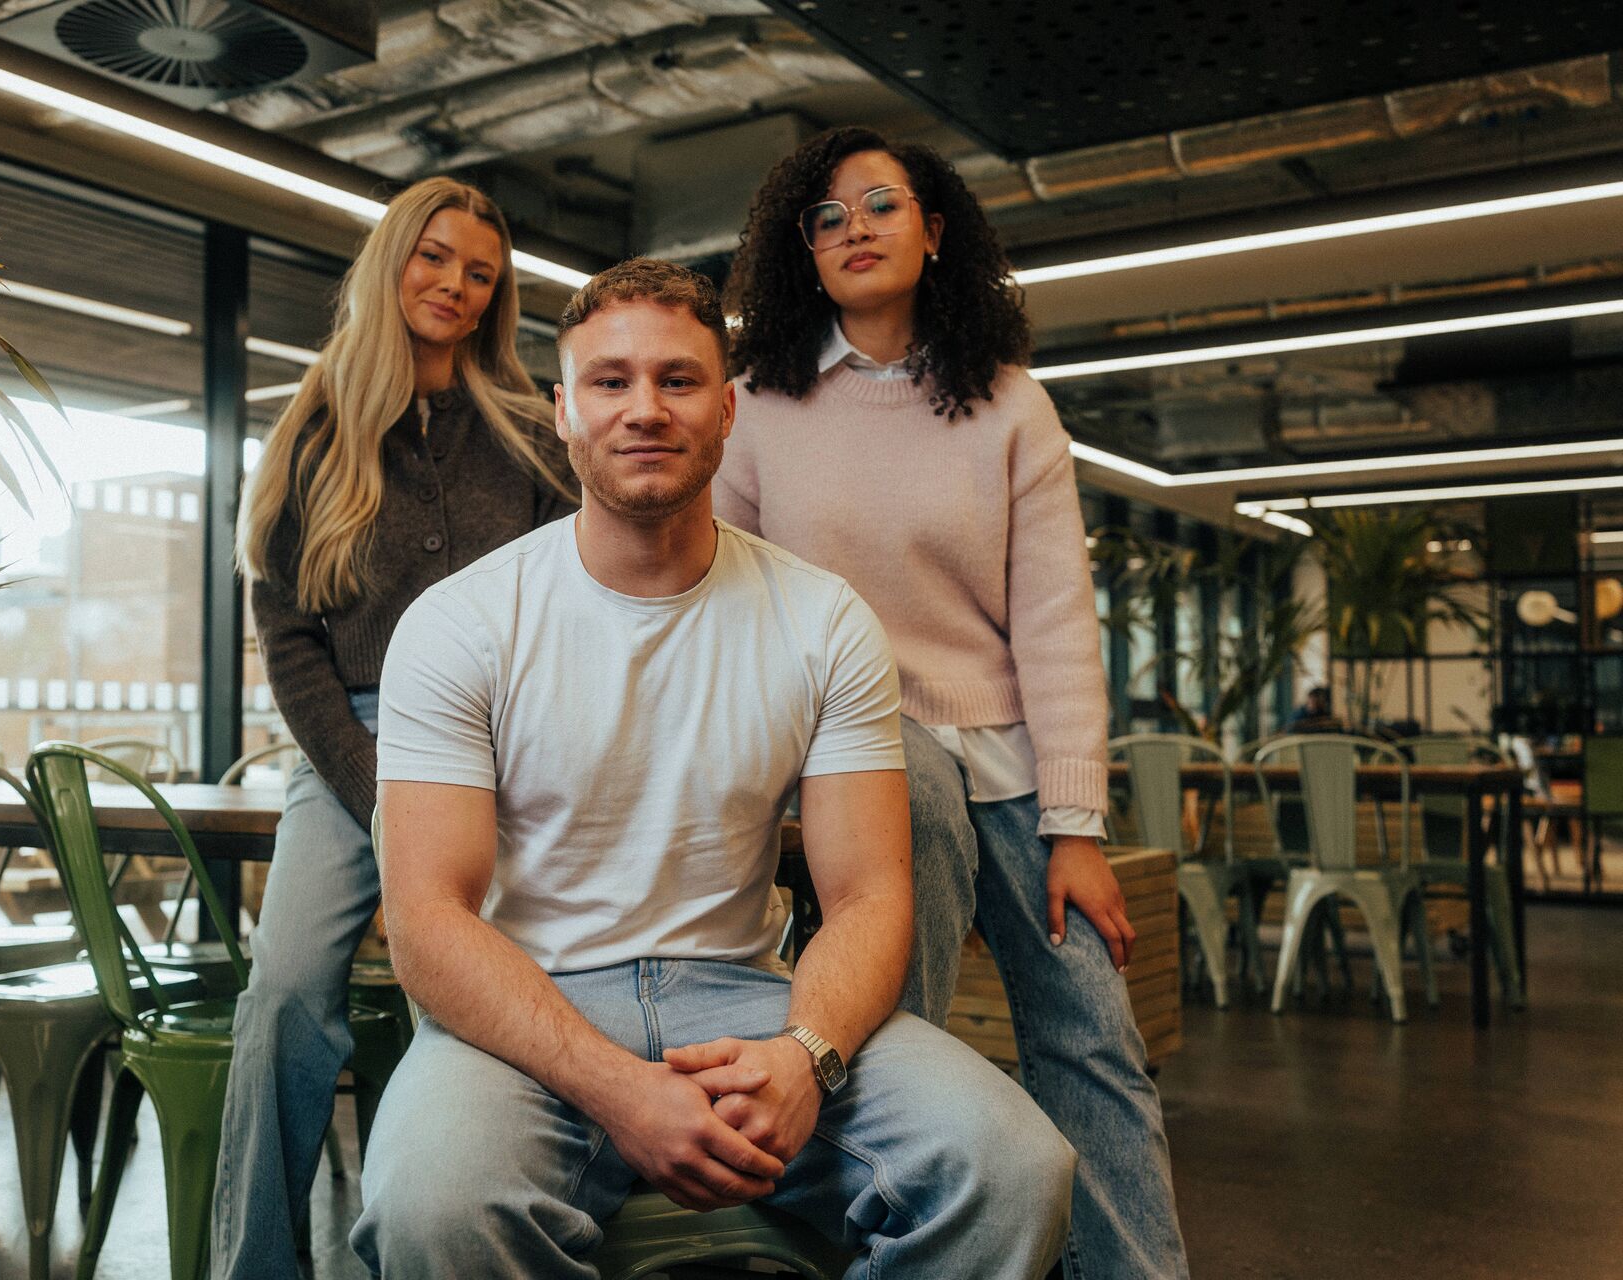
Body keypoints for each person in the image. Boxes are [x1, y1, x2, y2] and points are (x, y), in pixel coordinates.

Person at [353, 258, 1075, 1278]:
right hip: (533, 1007)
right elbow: (428, 921)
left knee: (1013, 1166)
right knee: (435, 1208)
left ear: (728, 408)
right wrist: (616, 1086)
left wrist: (807, 1055)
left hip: (745, 998)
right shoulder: (461, 623)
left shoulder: (822, 619)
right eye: (609, 382)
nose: (644, 408)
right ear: (563, 411)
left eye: (679, 380)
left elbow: (869, 894)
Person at [717, 126, 1189, 1279]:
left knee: (1096, 1040)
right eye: (825, 218)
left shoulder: (1011, 406)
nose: (854, 230)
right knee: (891, 1026)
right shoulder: (757, 408)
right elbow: (724, 605)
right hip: (854, 749)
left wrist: (1076, 830)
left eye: (880, 206)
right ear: (803, 255)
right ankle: (895, 1240)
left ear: (935, 232)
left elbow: (1056, 627)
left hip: (1012, 761)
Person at [210, 175, 574, 1278]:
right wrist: (374, 786)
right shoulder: (316, 428)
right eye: (435, 258)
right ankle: (258, 1263)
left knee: (472, 997)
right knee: (282, 996)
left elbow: (574, 604)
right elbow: (286, 636)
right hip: (350, 748)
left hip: (504, 747)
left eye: (479, 272)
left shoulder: (529, 430)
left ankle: (435, 1242)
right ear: (390, 263)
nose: (455, 286)